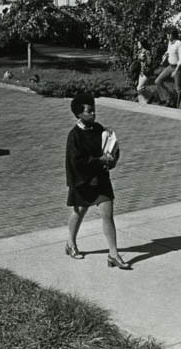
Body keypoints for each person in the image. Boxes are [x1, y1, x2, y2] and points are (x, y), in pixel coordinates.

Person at [64, 93, 130, 270]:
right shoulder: (74, 136)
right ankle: (70, 243)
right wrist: (99, 160)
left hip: (100, 179)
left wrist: (112, 157)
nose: (93, 114)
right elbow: (77, 162)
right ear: (79, 114)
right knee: (79, 212)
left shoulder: (99, 129)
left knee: (107, 214)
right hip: (82, 181)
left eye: (94, 111)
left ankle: (113, 254)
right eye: (89, 112)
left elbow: (109, 147)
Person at [155, 28, 181, 107]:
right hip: (170, 66)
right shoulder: (170, 42)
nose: (167, 36)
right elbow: (169, 51)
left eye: (169, 34)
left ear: (174, 35)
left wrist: (176, 71)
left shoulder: (179, 43)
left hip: (178, 67)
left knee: (178, 89)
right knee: (158, 81)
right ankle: (169, 98)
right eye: (167, 34)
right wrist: (165, 54)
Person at [134, 40, 153, 105]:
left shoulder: (147, 52)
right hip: (141, 72)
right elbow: (135, 58)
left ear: (142, 44)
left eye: (139, 44)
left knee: (139, 88)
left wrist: (144, 58)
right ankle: (142, 102)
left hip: (146, 72)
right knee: (142, 88)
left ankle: (150, 95)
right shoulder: (140, 51)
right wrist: (139, 57)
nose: (138, 45)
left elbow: (149, 62)